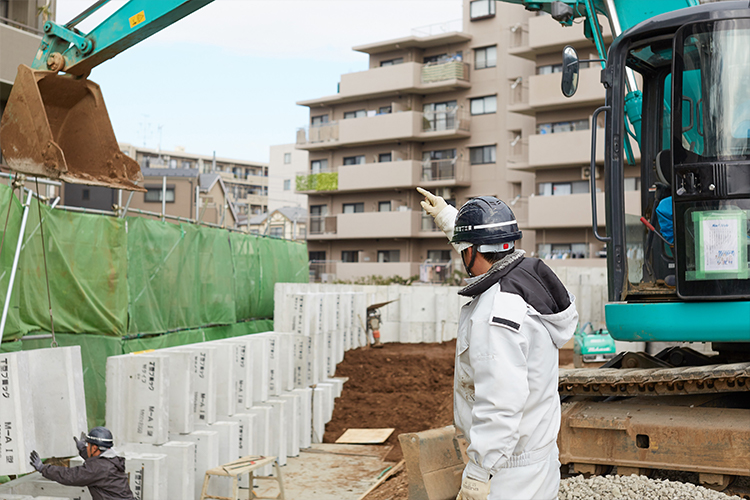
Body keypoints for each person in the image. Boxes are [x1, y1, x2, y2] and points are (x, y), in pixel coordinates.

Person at [418, 187, 578, 500]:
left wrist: (479, 471)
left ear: (471, 251)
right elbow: (483, 249)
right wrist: (448, 217)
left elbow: (500, 402)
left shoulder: (496, 314)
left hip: (507, 472)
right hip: (537, 458)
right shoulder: (526, 280)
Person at [29, 426, 134, 500]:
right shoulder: (112, 460)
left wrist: (43, 468)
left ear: (94, 448)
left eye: (88, 445)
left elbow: (71, 476)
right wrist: (82, 449)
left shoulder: (100, 468)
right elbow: (95, 460)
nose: (87, 447)